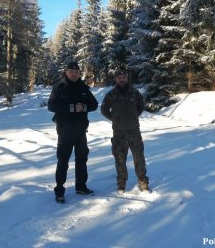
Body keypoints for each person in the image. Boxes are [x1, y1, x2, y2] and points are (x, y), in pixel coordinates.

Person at [48, 61, 98, 203]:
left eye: (77, 72)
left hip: (81, 130)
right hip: (65, 131)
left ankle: (81, 187)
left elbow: (94, 104)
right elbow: (51, 106)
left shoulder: (83, 87)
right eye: (71, 71)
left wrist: (84, 107)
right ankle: (59, 191)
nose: (74, 74)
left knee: (82, 159)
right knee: (63, 160)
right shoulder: (59, 86)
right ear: (66, 72)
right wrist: (70, 108)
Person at [101, 69, 149, 193]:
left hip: (134, 131)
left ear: (126, 78)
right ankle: (121, 184)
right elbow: (104, 109)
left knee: (139, 157)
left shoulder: (134, 92)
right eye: (119, 77)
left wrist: (133, 117)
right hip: (119, 132)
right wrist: (114, 119)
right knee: (120, 158)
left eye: (124, 77)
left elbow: (141, 106)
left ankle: (143, 182)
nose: (122, 79)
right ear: (116, 79)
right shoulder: (111, 94)